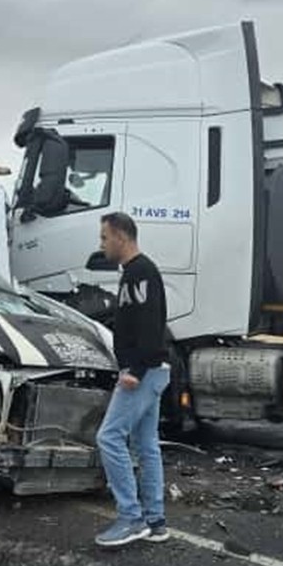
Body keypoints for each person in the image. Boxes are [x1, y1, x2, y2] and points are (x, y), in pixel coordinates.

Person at [93, 212, 171, 548]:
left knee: (109, 437)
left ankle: (131, 518)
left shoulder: (141, 272)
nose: (102, 244)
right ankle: (155, 522)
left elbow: (151, 325)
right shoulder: (135, 273)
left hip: (144, 372)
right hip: (152, 370)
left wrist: (135, 371)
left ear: (121, 237)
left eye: (104, 237)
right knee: (146, 445)